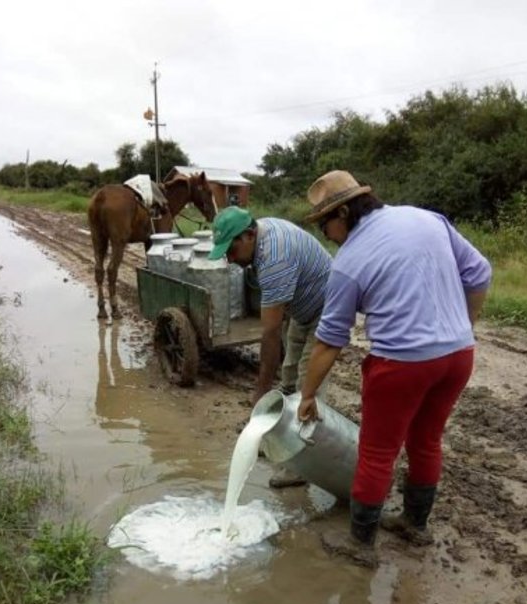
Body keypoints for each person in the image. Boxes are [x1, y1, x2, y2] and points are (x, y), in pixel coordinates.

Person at [297, 170, 492, 568]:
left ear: (346, 212)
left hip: (401, 365)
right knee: (426, 440)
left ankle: (361, 545)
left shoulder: (348, 262)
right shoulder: (427, 219)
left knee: (377, 452)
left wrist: (308, 394)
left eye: (326, 226)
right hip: (457, 358)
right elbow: (479, 272)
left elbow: (330, 338)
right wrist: (462, 327)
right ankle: (415, 526)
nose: (327, 236)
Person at [209, 206, 333, 488]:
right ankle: (280, 440)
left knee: (308, 385)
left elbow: (269, 332)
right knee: (288, 374)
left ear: (250, 235)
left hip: (328, 309)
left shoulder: (275, 258)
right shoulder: (261, 233)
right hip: (301, 308)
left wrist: (261, 390)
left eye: (231, 250)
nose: (229, 259)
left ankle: (303, 465)